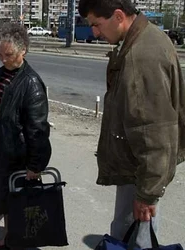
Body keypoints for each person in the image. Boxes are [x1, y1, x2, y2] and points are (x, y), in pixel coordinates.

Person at [78, 0, 185, 248]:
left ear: (118, 16)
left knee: (132, 238)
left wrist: (147, 193)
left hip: (139, 173)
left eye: (96, 24)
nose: (94, 32)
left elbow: (153, 132)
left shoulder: (141, 57)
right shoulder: (143, 39)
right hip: (138, 168)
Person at [0, 22, 51, 250]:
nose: (3, 58)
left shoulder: (31, 83)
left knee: (17, 202)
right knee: (6, 201)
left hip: (17, 155)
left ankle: (14, 243)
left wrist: (35, 165)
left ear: (23, 50)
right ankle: (8, 239)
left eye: (8, 54)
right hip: (0, 150)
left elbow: (38, 130)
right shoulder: (1, 73)